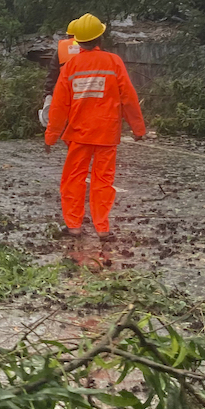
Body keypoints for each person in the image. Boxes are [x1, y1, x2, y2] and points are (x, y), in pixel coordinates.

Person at [44, 14, 145, 240]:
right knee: (103, 181)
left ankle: (74, 226)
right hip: (107, 134)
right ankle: (102, 228)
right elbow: (128, 97)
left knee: (73, 179)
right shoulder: (114, 62)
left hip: (79, 135)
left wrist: (51, 136)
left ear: (77, 41)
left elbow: (59, 106)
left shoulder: (70, 66)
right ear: (100, 37)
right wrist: (138, 129)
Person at [39, 19, 82, 126]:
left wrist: (47, 93)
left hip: (66, 92)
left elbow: (52, 73)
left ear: (69, 35)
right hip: (88, 91)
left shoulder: (61, 50)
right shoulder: (90, 49)